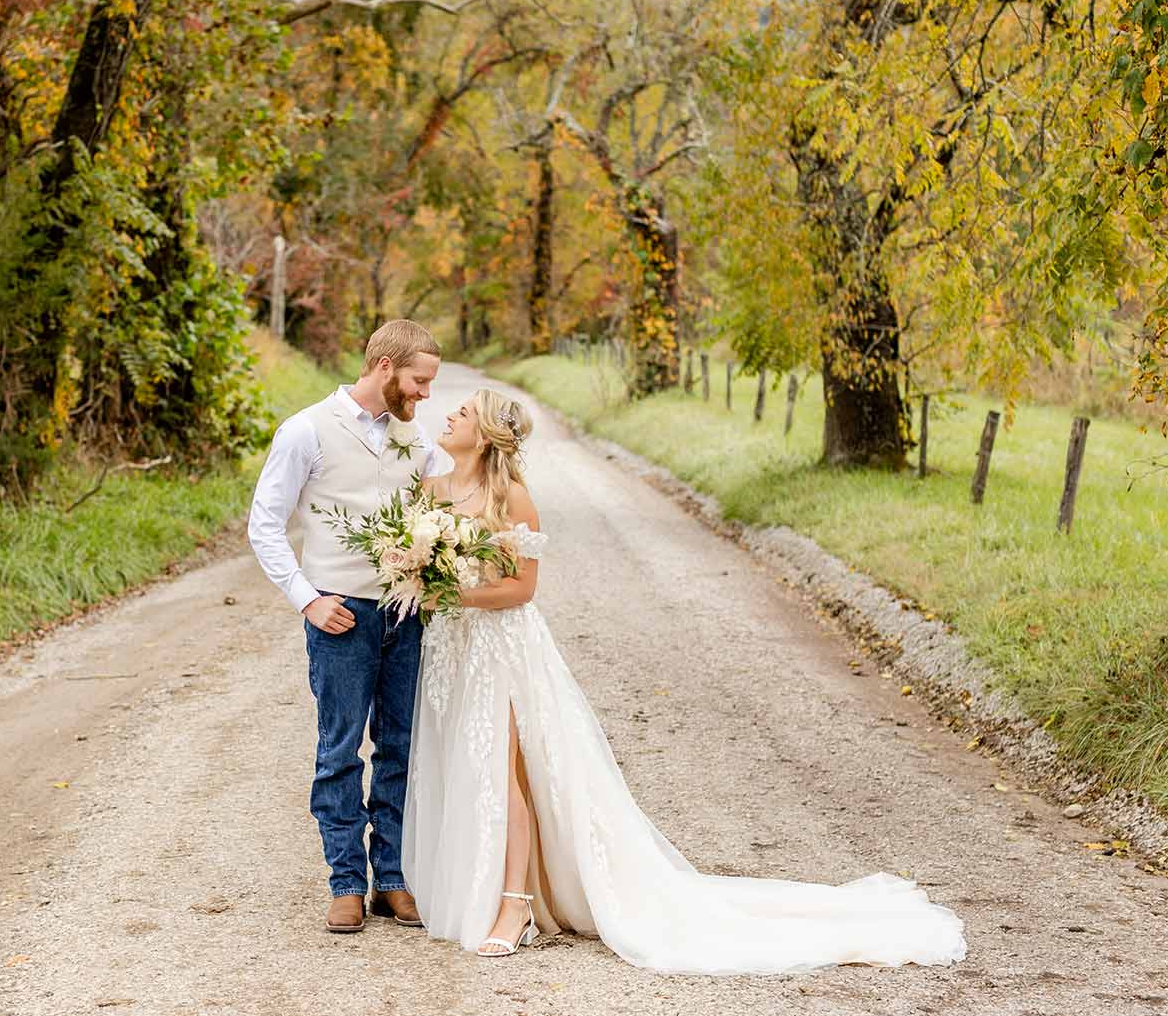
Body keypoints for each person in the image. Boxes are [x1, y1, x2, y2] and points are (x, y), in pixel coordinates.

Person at [403, 388, 968, 972]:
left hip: (501, 647)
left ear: (488, 434)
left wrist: (454, 592)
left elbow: (522, 589)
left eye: (463, 412)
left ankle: (516, 906)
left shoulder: (513, 499)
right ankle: (480, 885)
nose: (448, 415)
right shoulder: (433, 490)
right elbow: (420, 560)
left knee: (505, 770)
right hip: (453, 648)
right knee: (466, 762)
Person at [247, 319, 444, 933]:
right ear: (384, 366)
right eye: (419, 380)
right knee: (338, 750)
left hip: (404, 613)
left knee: (399, 748)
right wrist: (307, 599)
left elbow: (456, 493)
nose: (425, 395)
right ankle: (346, 881)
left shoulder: (417, 440)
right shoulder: (306, 430)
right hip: (339, 615)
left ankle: (392, 877)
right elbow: (265, 523)